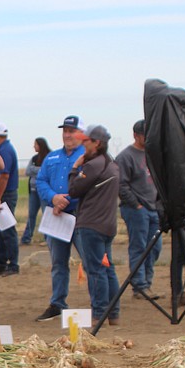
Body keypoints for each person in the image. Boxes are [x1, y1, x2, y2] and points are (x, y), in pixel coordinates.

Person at [34, 116, 86, 322]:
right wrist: (53, 198)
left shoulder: (88, 157)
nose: (67, 135)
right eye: (64, 131)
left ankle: (102, 304)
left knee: (92, 262)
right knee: (58, 263)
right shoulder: (53, 157)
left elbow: (92, 183)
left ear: (81, 134)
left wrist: (69, 199)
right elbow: (41, 181)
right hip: (57, 217)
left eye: (71, 131)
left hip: (80, 217)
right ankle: (57, 303)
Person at [69, 125, 121, 328]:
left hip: (91, 224)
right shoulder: (112, 164)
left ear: (97, 143)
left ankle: (99, 314)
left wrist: (75, 169)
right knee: (108, 269)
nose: (83, 144)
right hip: (108, 224)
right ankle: (114, 314)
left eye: (86, 141)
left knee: (95, 270)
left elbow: (73, 190)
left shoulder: (92, 166)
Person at [115, 120, 162, 299]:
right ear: (135, 135)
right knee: (139, 247)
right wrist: (136, 204)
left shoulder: (152, 154)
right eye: (144, 134)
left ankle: (147, 283)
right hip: (135, 209)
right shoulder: (126, 156)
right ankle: (140, 286)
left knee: (155, 247)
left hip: (153, 208)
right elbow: (121, 184)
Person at [0, 124, 20, 275]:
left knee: (7, 229)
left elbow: (4, 175)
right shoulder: (5, 149)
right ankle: (2, 261)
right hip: (5, 194)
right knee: (1, 229)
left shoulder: (5, 151)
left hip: (6, 194)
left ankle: (13, 264)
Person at [21, 137, 50, 245]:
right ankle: (26, 238)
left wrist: (36, 170)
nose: (34, 146)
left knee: (46, 214)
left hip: (44, 191)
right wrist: (39, 170)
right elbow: (27, 171)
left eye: (35, 144)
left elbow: (47, 172)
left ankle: (48, 239)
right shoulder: (34, 158)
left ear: (41, 145)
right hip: (33, 190)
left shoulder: (49, 157)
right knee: (31, 214)